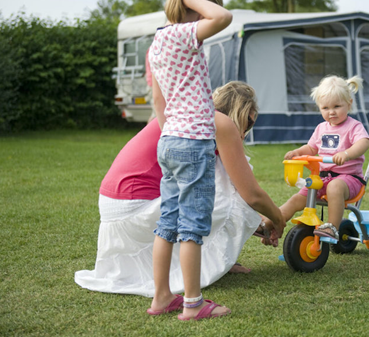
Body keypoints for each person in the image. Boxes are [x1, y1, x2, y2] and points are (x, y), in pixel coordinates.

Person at [73, 82, 285, 314]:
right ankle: (197, 293)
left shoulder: (185, 116)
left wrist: (255, 225)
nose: (245, 132)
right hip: (135, 207)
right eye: (249, 122)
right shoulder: (219, 123)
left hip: (116, 210)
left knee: (217, 177)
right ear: (238, 113)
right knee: (231, 181)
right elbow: (251, 194)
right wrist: (278, 219)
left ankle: (215, 261)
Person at [149, 0, 234, 321]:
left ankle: (161, 297)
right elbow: (223, 17)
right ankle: (193, 304)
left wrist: (170, 134)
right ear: (198, 7)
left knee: (167, 223)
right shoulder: (184, 34)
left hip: (169, 139)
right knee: (191, 227)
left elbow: (158, 100)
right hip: (192, 141)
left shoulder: (158, 40)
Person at [272, 75, 369, 244]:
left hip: (349, 180)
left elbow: (364, 142)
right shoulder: (321, 128)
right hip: (323, 179)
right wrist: (297, 152)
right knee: (297, 198)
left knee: (334, 186)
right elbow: (311, 148)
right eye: (325, 107)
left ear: (349, 104)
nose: (331, 112)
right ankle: (274, 221)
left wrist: (346, 154)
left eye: (337, 106)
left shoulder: (354, 126)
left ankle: (332, 227)